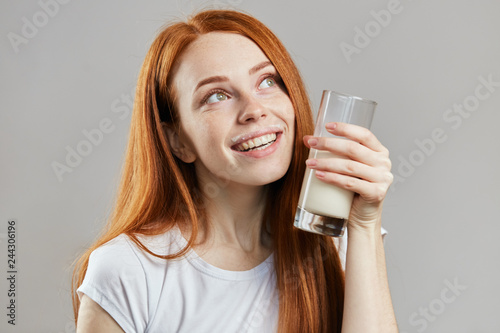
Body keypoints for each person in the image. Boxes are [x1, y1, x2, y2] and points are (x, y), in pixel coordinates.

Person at [72, 9, 397, 333]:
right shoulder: (128, 270)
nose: (255, 110)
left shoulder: (335, 240)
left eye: (267, 81)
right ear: (177, 140)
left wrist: (365, 225)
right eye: (216, 95)